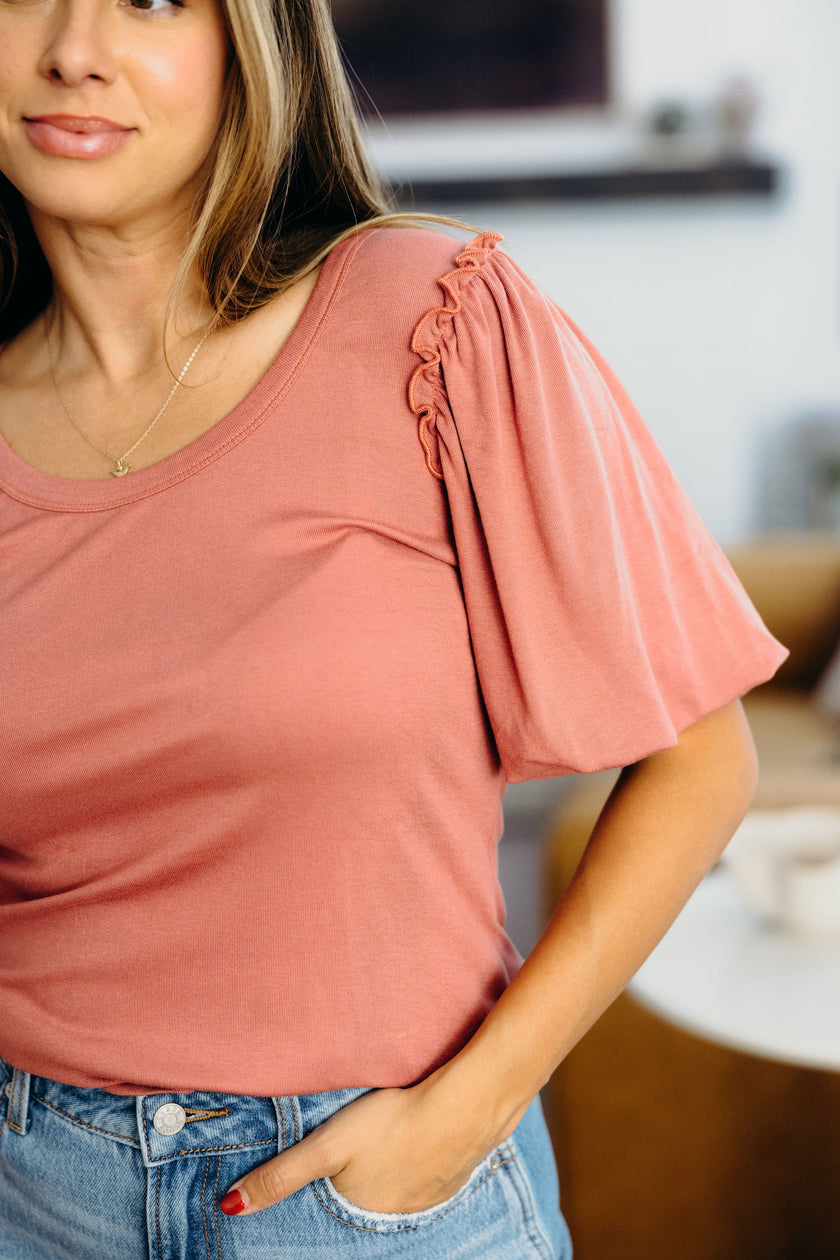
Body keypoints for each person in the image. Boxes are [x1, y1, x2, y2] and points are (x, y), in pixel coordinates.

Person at [0, 0, 788, 1255]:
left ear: (249, 43)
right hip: (31, 1187)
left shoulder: (431, 317)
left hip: (380, 1191)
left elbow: (704, 759)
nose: (73, 47)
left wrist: (468, 1112)